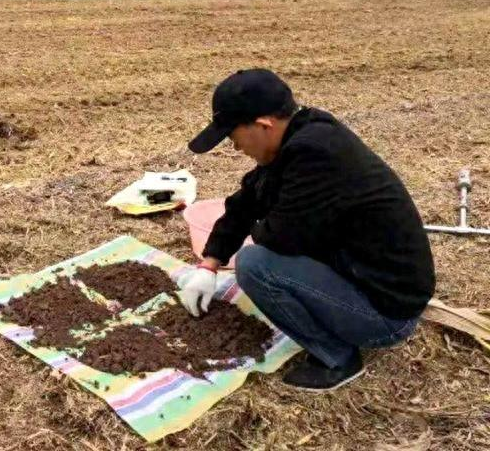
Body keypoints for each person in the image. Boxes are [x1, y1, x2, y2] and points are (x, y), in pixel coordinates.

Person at [179, 69, 435, 391]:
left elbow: (279, 237)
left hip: (386, 314)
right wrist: (209, 264)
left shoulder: (316, 155)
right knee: (261, 251)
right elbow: (247, 202)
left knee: (255, 265)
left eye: (234, 137)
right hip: (365, 279)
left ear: (263, 125)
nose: (235, 148)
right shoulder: (302, 136)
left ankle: (338, 358)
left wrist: (259, 227)